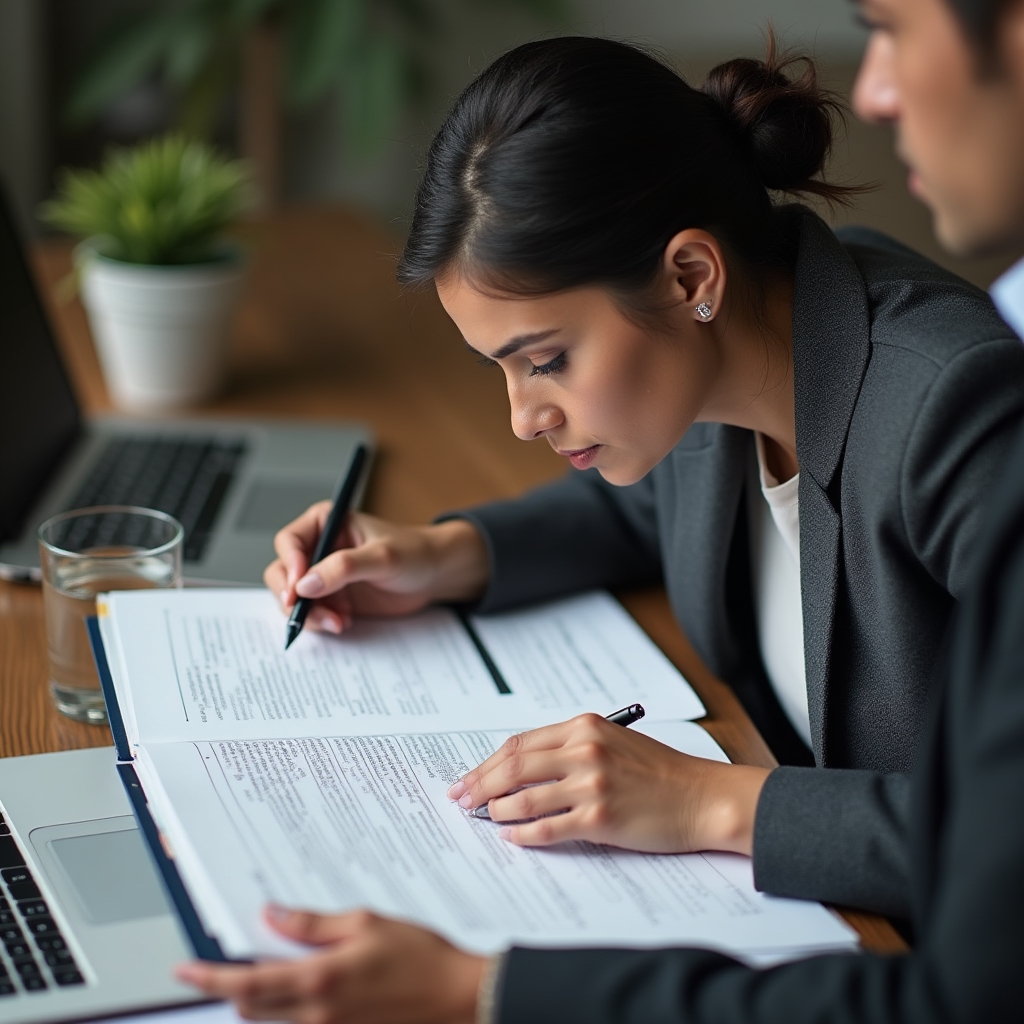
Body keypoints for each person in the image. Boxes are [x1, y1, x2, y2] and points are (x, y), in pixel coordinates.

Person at [177, 3, 1024, 1018]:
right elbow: (645, 513)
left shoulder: (954, 416)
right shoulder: (732, 360)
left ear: (689, 276)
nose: (524, 417)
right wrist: (445, 555)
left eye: (544, 361)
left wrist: (708, 800)